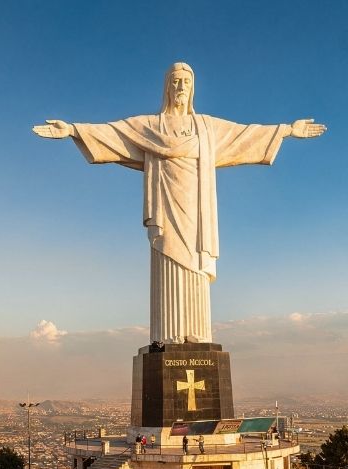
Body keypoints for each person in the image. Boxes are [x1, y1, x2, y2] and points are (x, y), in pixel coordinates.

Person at [33, 63, 325, 344]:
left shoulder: (206, 127)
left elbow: (245, 134)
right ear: (167, 88)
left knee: (195, 262)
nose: (181, 86)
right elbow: (115, 132)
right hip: (165, 206)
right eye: (175, 81)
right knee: (168, 259)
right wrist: (73, 130)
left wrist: (286, 130)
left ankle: (198, 333)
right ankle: (167, 335)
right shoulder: (150, 126)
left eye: (186, 81)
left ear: (193, 87)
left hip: (197, 211)